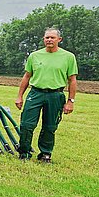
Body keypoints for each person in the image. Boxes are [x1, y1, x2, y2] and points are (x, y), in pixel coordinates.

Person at [15, 28, 77, 163]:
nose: (49, 40)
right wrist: (20, 96)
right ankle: (24, 152)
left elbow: (72, 80)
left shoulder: (68, 57)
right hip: (36, 93)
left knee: (50, 126)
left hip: (56, 95)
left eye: (52, 38)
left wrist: (70, 101)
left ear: (59, 40)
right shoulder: (34, 56)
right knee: (27, 124)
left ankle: (45, 153)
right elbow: (27, 76)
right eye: (47, 38)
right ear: (43, 39)